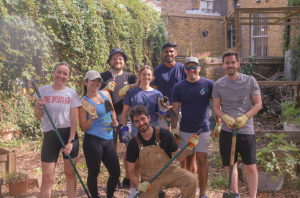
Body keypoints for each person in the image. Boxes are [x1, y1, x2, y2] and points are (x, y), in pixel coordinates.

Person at [212, 50, 262, 198]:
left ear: (238, 64)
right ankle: (235, 194)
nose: (230, 65)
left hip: (246, 131)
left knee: (250, 166)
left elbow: (258, 104)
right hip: (228, 131)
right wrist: (223, 117)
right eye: (227, 63)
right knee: (229, 165)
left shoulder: (250, 81)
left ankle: (252, 196)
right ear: (223, 65)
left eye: (233, 62)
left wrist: (245, 117)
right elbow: (215, 107)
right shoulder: (218, 84)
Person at [126, 105, 199, 198]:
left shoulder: (164, 134)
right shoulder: (133, 143)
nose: (141, 123)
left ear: (149, 118)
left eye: (143, 119)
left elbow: (180, 157)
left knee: (191, 179)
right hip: (149, 179)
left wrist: (189, 147)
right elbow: (130, 171)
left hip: (168, 171)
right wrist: (139, 184)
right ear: (133, 123)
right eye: (137, 121)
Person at [34, 62, 81, 198]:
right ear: (53, 73)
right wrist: (39, 107)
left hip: (68, 135)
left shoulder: (71, 93)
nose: (61, 76)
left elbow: (74, 120)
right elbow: (37, 116)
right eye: (58, 72)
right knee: (47, 177)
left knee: (70, 174)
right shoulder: (42, 90)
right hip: (50, 136)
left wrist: (70, 142)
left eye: (65, 74)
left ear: (68, 77)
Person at [171, 57, 216, 198]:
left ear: (199, 68)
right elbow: (174, 109)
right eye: (188, 67)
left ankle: (203, 193)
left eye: (194, 67)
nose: (191, 70)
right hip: (185, 129)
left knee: (202, 160)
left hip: (203, 129)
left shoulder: (209, 84)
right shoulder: (178, 87)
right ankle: (191, 189)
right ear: (185, 70)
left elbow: (216, 105)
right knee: (188, 160)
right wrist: (173, 129)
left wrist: (218, 123)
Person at [122, 65, 167, 198]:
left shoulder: (157, 94)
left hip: (152, 128)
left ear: (152, 77)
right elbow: (125, 113)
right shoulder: (132, 92)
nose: (146, 77)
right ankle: (133, 192)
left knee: (153, 161)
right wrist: (125, 129)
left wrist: (163, 109)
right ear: (139, 75)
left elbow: (160, 116)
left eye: (149, 75)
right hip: (136, 128)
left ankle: (155, 190)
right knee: (136, 161)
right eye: (144, 74)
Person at [100, 48, 138, 188]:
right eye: (114, 58)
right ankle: (114, 177)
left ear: (124, 62)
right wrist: (103, 89)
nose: (117, 61)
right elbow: (90, 93)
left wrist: (128, 86)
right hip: (107, 119)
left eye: (120, 58)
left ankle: (128, 178)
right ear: (110, 61)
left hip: (125, 120)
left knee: (130, 147)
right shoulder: (103, 76)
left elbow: (142, 83)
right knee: (111, 149)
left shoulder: (130, 77)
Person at [78, 70, 120, 198]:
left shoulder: (105, 94)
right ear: (86, 82)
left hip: (108, 139)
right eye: (93, 80)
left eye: (98, 81)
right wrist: (91, 118)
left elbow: (111, 110)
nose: (96, 83)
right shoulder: (84, 102)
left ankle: (109, 196)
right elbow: (83, 128)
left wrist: (114, 120)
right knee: (94, 172)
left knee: (115, 172)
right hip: (93, 141)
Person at [150, 42, 187, 167]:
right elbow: (154, 92)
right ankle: (165, 172)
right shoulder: (157, 71)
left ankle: (183, 172)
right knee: (164, 142)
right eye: (166, 51)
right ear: (163, 54)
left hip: (180, 111)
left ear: (175, 53)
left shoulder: (183, 69)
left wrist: (176, 106)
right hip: (163, 112)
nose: (169, 54)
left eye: (171, 51)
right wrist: (163, 106)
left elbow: (187, 89)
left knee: (181, 142)